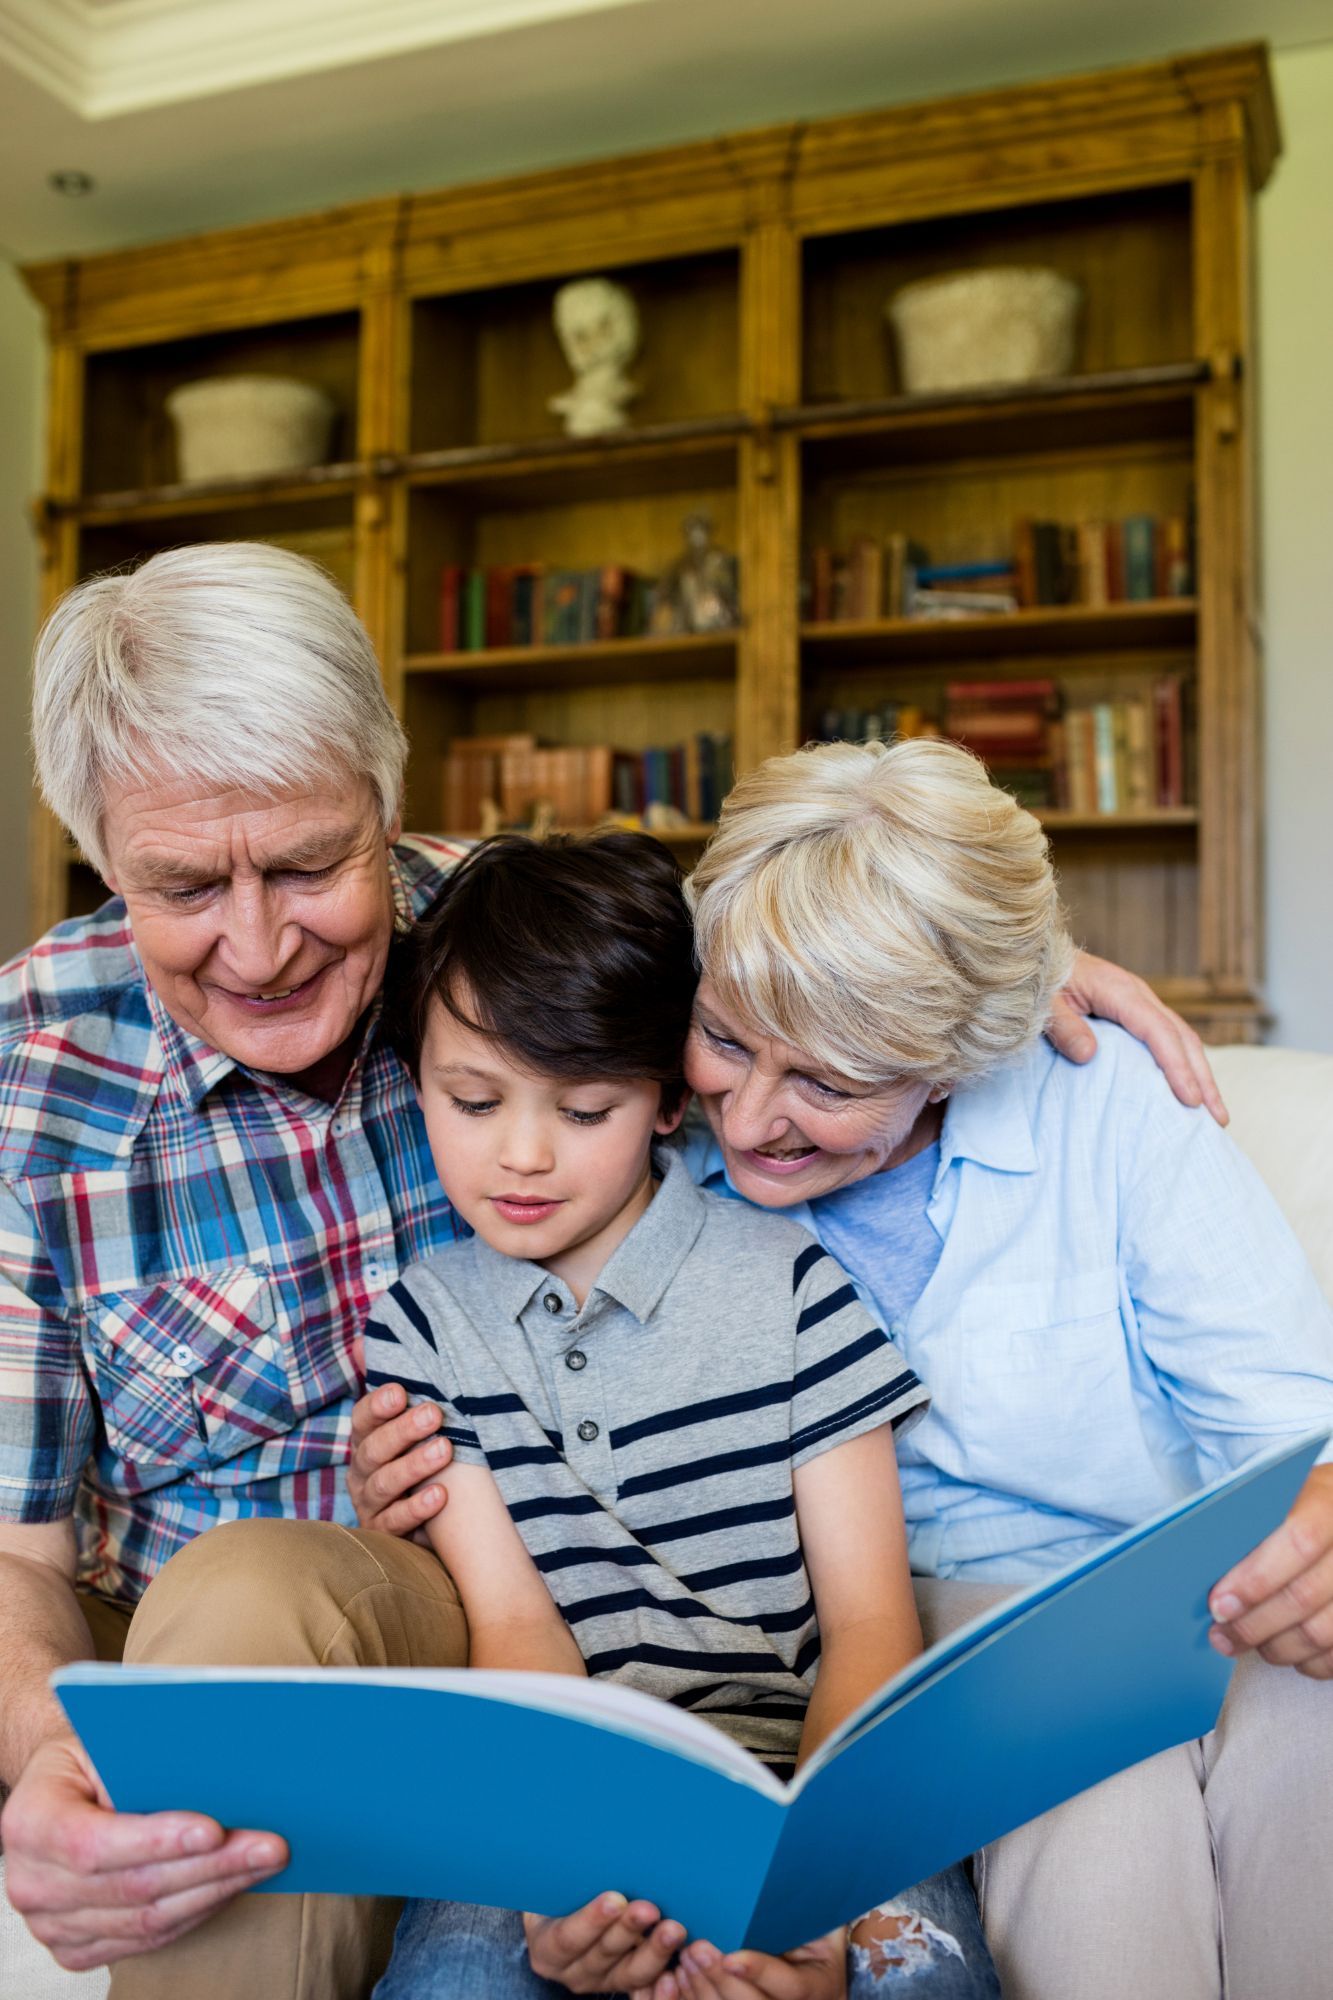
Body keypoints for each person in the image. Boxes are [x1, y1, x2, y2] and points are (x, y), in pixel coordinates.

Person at [0, 541, 1223, 2000]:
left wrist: (1013, 983)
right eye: (184, 885)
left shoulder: (507, 938)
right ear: (96, 854)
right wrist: (46, 1762)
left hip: (522, 1615)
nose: (258, 943)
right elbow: (13, 1562)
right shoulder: (29, 1075)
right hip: (233, 1634)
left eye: (313, 866)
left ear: (387, 808)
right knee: (245, 1602)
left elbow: (829, 950)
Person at [359, 737, 1333, 2000]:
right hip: (942, 1644)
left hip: (1163, 1589)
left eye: (828, 1077)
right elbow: (507, 970)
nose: (754, 1116)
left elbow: (1288, 1433)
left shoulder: (1103, 1104)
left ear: (958, 1054)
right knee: (1108, 1816)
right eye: (725, 1040)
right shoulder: (640, 1143)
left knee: (1307, 1723)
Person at [361, 828, 995, 2000]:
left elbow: (868, 1626)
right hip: (563, 1787)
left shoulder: (794, 1288)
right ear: (418, 1082)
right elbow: (515, 1627)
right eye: (472, 1098)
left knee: (916, 1979)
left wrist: (800, 1892)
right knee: (459, 1979)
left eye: (584, 1108)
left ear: (664, 1097)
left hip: (815, 1779)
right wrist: (576, 1876)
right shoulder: (423, 1323)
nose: (522, 1153)